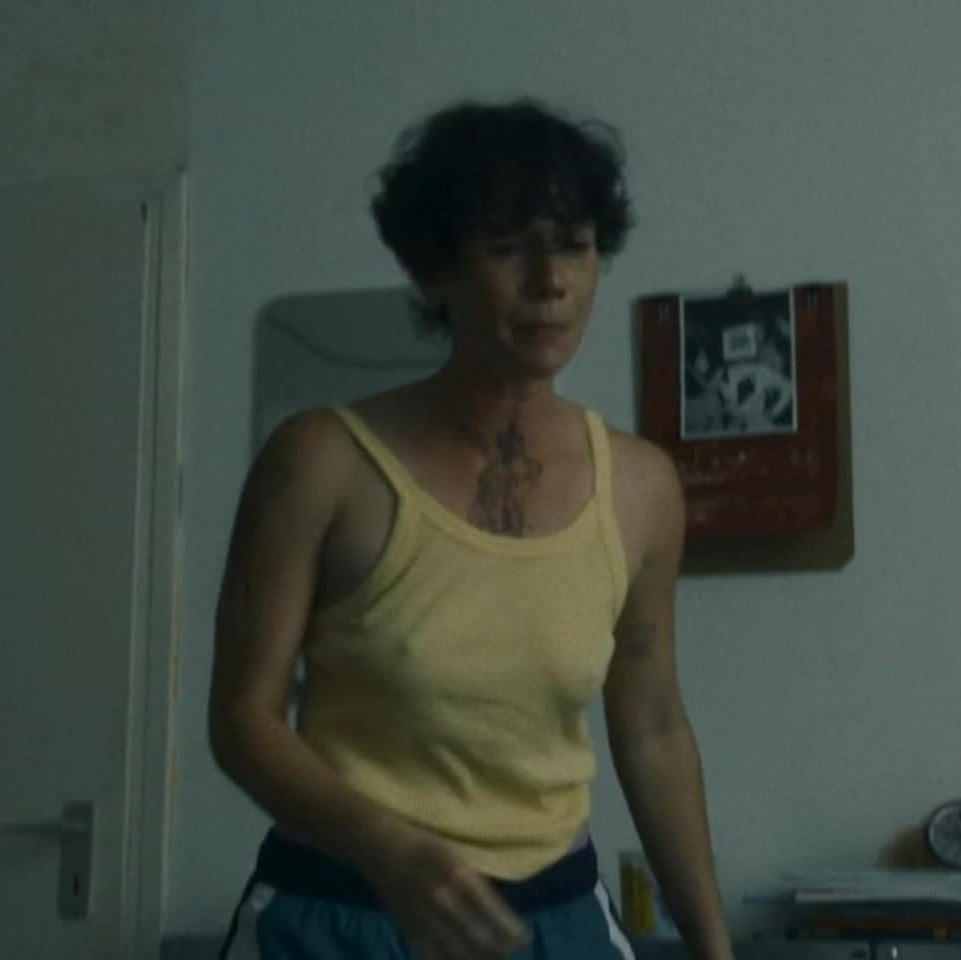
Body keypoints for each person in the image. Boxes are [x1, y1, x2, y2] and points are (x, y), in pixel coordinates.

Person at [209, 98, 735, 960]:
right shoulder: (321, 463)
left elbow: (652, 728)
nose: (550, 280)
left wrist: (714, 949)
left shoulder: (642, 487)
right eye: (508, 248)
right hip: (342, 911)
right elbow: (242, 720)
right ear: (433, 271)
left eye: (574, 245)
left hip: (555, 915)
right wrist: (392, 854)